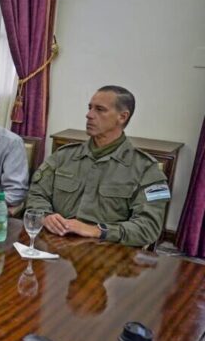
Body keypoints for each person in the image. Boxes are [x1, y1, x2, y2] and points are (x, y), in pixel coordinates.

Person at [26, 85, 169, 246]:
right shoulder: (64, 155)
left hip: (108, 252)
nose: (89, 115)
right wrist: (46, 216)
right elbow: (36, 194)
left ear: (122, 117)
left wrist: (98, 231)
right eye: (89, 108)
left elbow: (148, 227)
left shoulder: (145, 168)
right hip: (56, 243)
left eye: (100, 110)